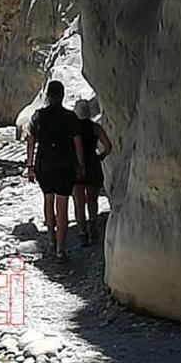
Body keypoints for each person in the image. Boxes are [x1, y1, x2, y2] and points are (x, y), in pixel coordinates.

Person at [26, 80, 85, 261]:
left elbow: (30, 141)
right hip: (65, 166)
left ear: (48, 95)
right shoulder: (70, 117)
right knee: (62, 206)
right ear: (62, 95)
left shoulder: (38, 116)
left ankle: (51, 239)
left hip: (44, 166)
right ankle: (60, 249)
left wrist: (29, 166)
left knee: (48, 201)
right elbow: (77, 143)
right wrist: (80, 164)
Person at [72, 98, 112, 246]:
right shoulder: (95, 127)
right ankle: (93, 224)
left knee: (79, 203)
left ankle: (83, 233)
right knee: (92, 200)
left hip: (77, 167)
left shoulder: (72, 129)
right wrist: (101, 156)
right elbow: (108, 146)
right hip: (93, 165)